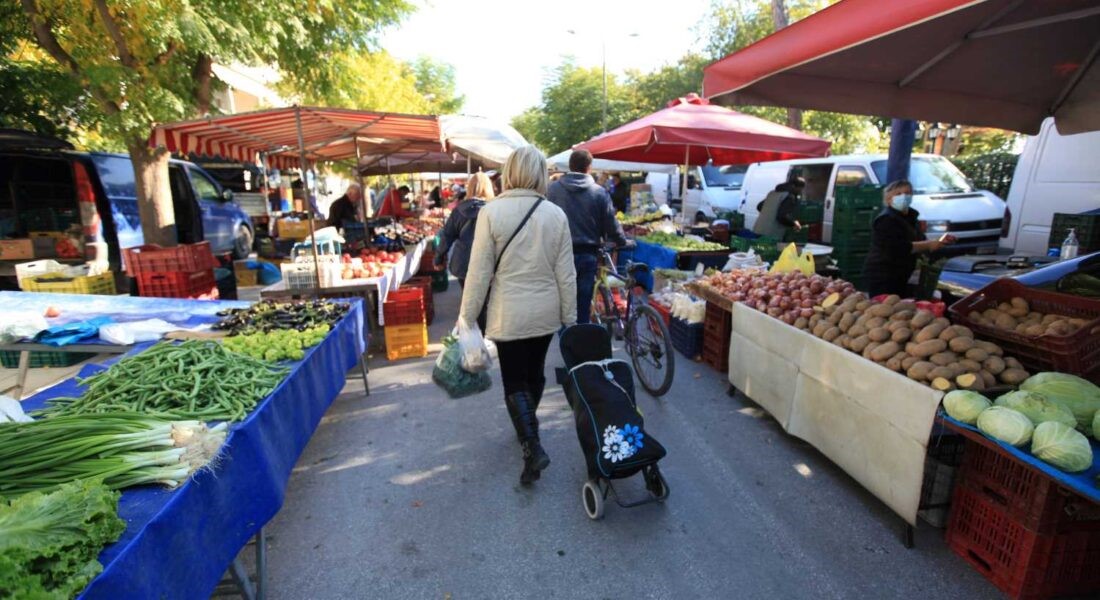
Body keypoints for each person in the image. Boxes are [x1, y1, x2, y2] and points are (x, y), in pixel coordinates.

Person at [459, 145, 576, 485]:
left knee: (513, 379)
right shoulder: (555, 215)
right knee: (534, 373)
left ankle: (530, 442)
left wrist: (466, 318)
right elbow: (565, 274)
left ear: (509, 172)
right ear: (540, 173)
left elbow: (478, 272)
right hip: (545, 311)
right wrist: (570, 319)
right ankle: (529, 426)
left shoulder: (491, 213)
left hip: (508, 311)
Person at [547, 149, 628, 325]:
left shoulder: (553, 190)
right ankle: (580, 342)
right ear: (589, 167)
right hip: (587, 254)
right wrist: (622, 241)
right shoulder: (599, 193)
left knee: (562, 302)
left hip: (560, 254)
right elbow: (610, 223)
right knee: (583, 305)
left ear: (570, 166)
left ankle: (566, 342)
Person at [862, 179, 954, 297]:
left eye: (907, 193)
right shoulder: (886, 219)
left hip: (902, 273)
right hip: (884, 274)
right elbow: (898, 247)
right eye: (898, 194)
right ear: (889, 199)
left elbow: (920, 241)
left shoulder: (911, 218)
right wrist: (929, 244)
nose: (904, 196)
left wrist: (940, 241)